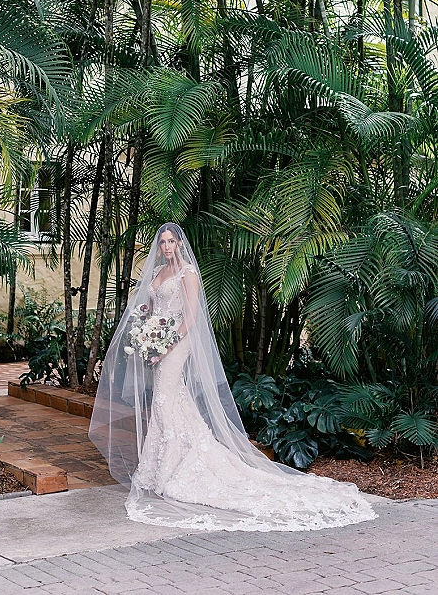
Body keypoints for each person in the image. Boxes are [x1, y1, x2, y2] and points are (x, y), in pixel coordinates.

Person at [89, 223, 376, 532]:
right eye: (163, 242)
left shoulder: (188, 273)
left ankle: (172, 470)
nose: (168, 246)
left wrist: (165, 346)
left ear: (180, 244)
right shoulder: (158, 272)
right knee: (174, 400)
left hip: (177, 343)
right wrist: (145, 325)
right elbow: (152, 306)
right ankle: (164, 466)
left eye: (172, 241)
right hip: (159, 342)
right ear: (158, 246)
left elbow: (191, 317)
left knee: (162, 401)